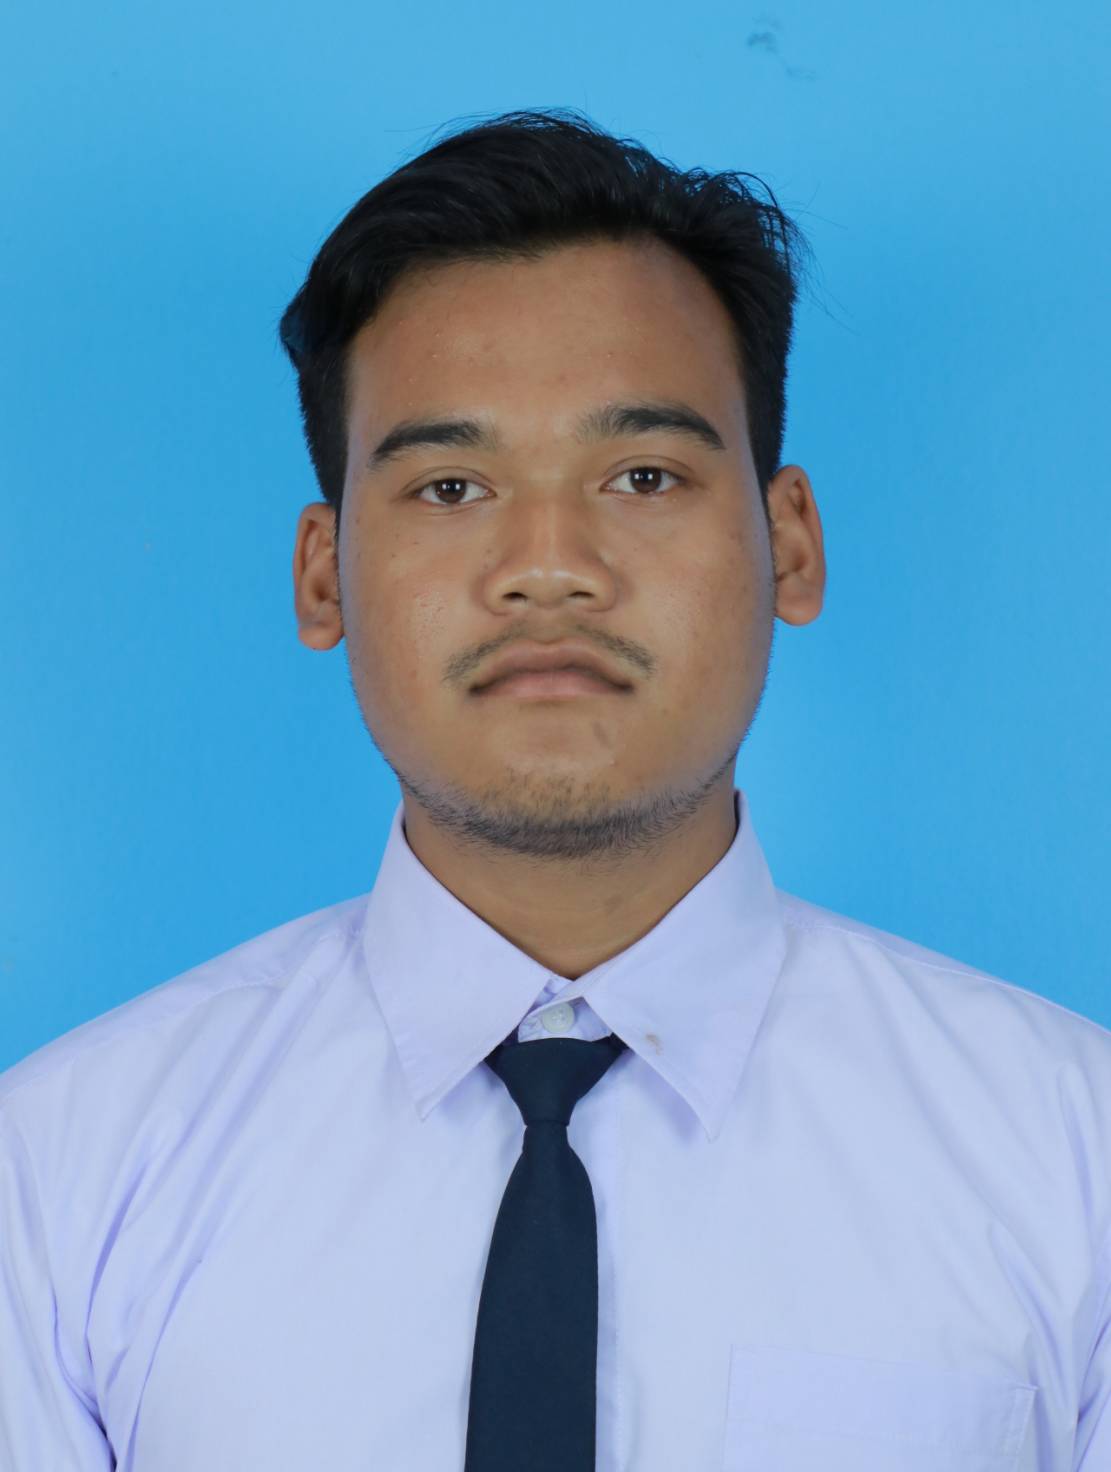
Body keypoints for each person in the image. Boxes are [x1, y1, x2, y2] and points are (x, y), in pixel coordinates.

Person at [1, 107, 1107, 1472]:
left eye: (643, 475)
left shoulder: (1074, 1163)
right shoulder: (60, 1173)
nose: (548, 567)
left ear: (790, 545)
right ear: (324, 575)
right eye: (451, 486)